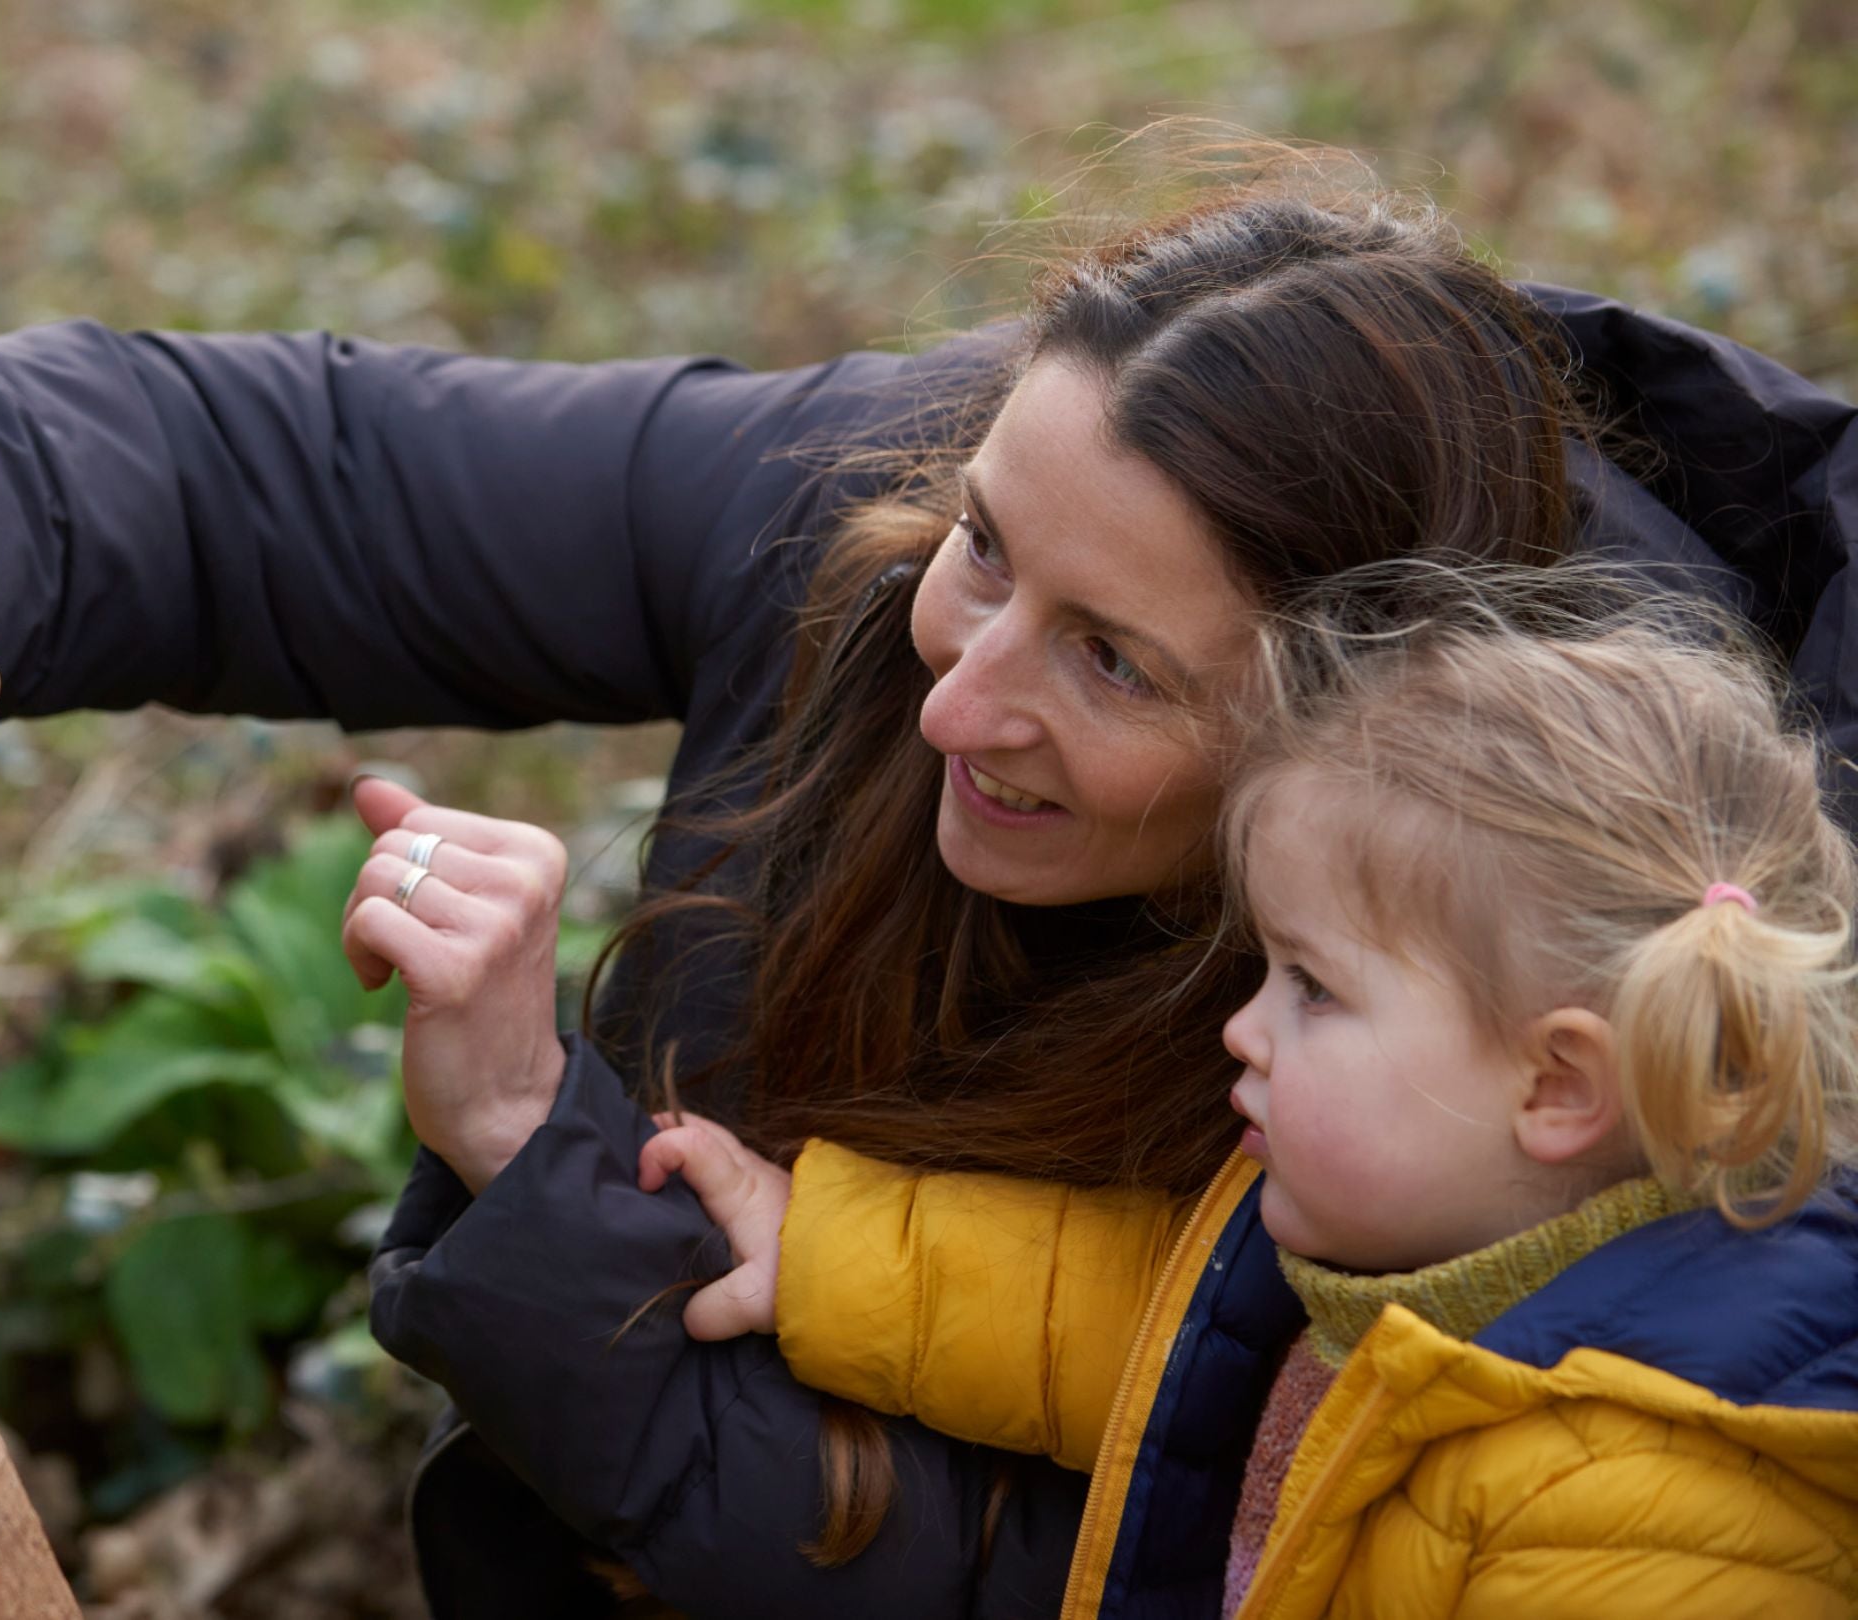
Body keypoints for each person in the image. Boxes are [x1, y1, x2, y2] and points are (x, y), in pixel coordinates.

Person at [0, 159, 1858, 1614]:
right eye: (990, 543)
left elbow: (1089, 1544)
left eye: (1106, 664)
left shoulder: (1546, 1047)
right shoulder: (896, 516)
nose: (954, 688)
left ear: (1354, 748)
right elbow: (267, 473)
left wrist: (542, 1155)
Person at [642, 606, 1858, 1617]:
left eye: (1313, 987)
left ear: (1559, 1088)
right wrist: (818, 1243)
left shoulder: (1653, 1512)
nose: (1244, 1027)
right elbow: (1145, 1331)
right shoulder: (1412, 1269)